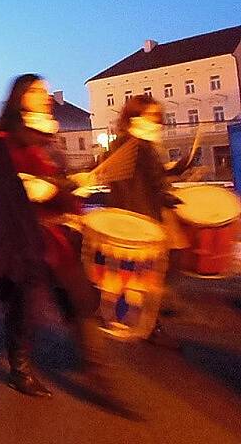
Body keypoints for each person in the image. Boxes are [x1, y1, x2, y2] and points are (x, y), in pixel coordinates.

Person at [0, 74, 107, 397]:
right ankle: (20, 369)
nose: (45, 96)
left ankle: (97, 369)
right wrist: (29, 190)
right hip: (25, 241)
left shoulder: (47, 138)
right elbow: (2, 195)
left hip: (57, 239)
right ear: (22, 97)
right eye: (38, 91)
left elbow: (56, 184)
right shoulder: (4, 140)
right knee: (25, 309)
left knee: (81, 298)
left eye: (46, 91)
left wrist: (71, 187)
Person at [106, 95, 192, 349]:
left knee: (161, 266)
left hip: (145, 213)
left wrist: (172, 171)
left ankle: (148, 317)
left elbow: (148, 175)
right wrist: (166, 197)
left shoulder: (137, 143)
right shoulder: (133, 145)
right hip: (142, 216)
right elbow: (134, 183)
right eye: (153, 116)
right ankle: (148, 320)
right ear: (136, 116)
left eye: (158, 116)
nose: (158, 121)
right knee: (160, 267)